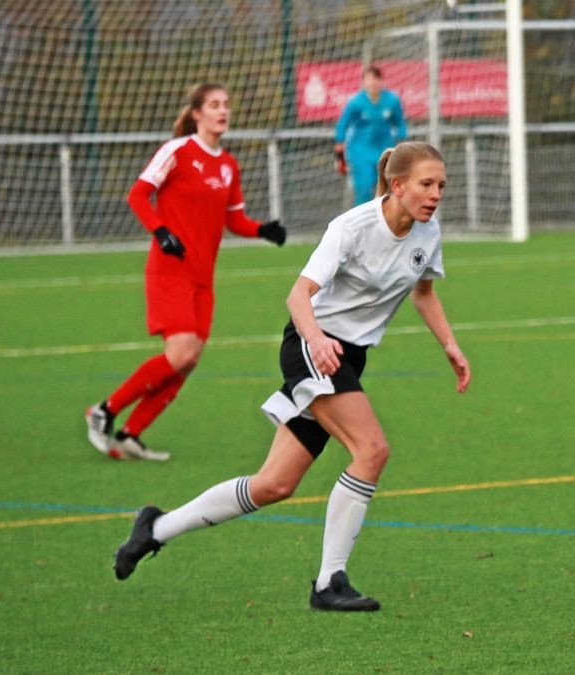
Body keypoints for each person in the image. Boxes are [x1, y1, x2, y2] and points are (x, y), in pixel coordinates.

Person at [112, 141, 470, 612]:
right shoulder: (352, 226)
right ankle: (329, 582)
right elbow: (298, 296)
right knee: (372, 449)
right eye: (427, 184)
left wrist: (449, 344)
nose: (436, 194)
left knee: (273, 485)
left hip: (347, 356)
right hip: (311, 346)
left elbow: (424, 294)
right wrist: (318, 342)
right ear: (398, 185)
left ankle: (154, 528)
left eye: (441, 185)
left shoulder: (428, 231)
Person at [84, 83, 288, 462]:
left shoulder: (228, 165)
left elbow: (234, 219)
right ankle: (104, 411)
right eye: (214, 105)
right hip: (169, 271)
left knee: (190, 359)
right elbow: (137, 194)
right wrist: (160, 232)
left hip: (202, 278)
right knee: (180, 353)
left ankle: (131, 434)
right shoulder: (177, 151)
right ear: (197, 113)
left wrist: (262, 229)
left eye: (226, 104)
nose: (222, 111)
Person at [334, 65, 408, 206]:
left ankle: (387, 224)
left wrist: (401, 139)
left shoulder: (392, 100)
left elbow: (400, 123)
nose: (373, 83)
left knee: (388, 188)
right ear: (363, 82)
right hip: (360, 151)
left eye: (376, 79)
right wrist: (339, 145)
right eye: (369, 79)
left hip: (385, 149)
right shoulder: (355, 102)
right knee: (364, 188)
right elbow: (342, 124)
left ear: (382, 81)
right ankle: (363, 225)